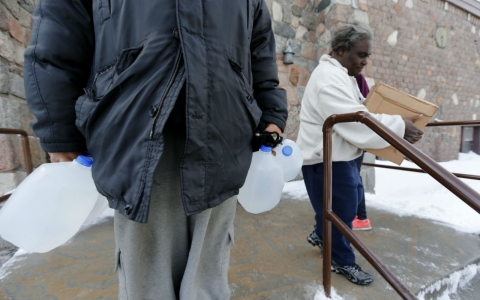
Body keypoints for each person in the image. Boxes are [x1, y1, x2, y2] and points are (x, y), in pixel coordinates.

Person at [24, 1, 287, 299]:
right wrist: (60, 133)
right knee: (146, 280)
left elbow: (259, 46)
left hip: (224, 132)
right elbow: (58, 35)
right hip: (134, 131)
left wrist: (272, 115)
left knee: (208, 278)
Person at [297, 22, 423, 285]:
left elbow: (359, 112)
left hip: (340, 156)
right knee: (341, 215)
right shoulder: (328, 79)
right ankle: (341, 261)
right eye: (362, 54)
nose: (366, 61)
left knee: (340, 207)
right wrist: (400, 126)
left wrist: (398, 120)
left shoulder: (343, 75)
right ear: (342, 50)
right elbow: (354, 121)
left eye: (367, 55)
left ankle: (322, 235)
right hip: (327, 159)